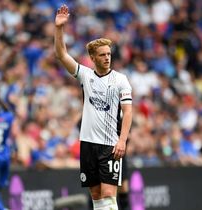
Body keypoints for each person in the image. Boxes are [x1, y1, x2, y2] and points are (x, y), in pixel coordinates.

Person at [54, 5, 133, 210]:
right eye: (103, 54)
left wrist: (122, 140)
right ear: (93, 58)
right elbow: (61, 55)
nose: (107, 57)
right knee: (96, 196)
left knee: (109, 194)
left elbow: (128, 111)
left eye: (109, 54)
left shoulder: (120, 80)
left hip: (110, 144)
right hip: (88, 143)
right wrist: (59, 29)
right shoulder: (85, 75)